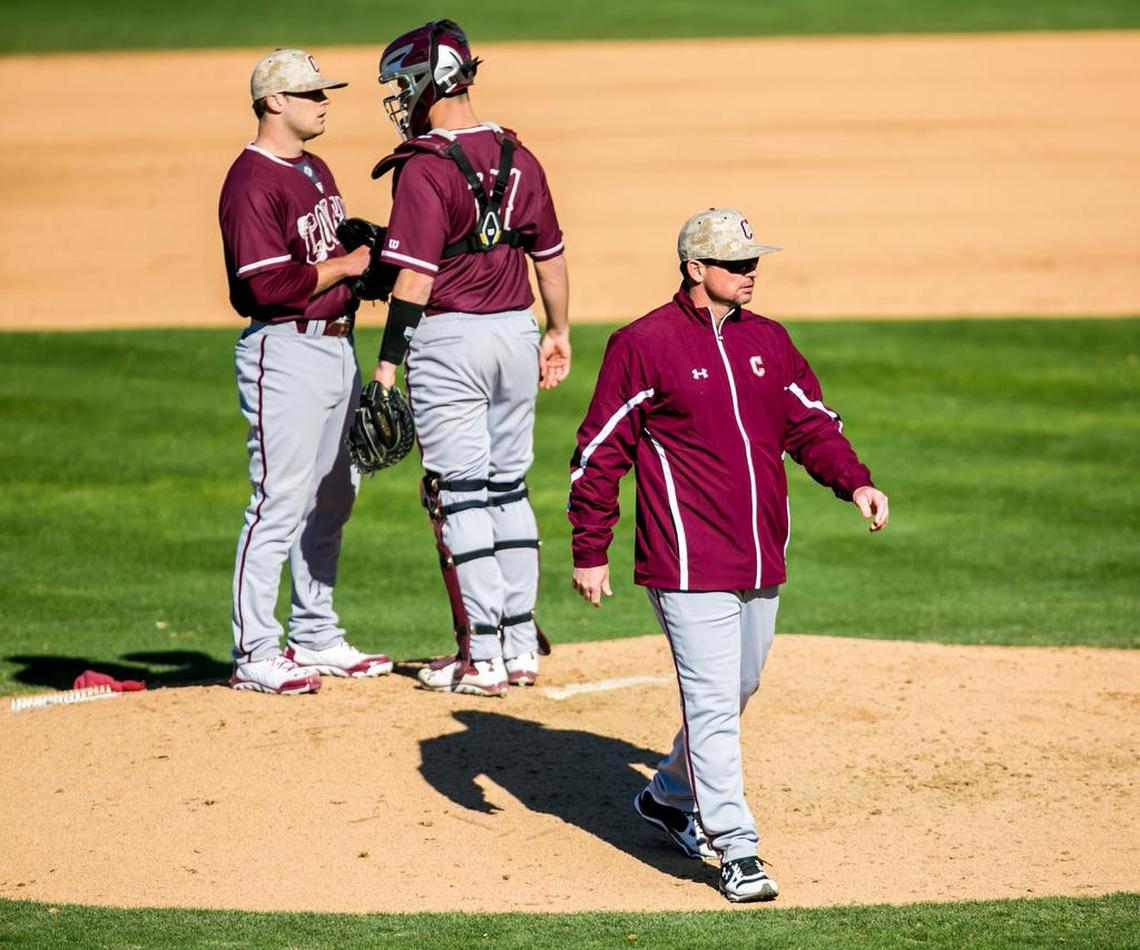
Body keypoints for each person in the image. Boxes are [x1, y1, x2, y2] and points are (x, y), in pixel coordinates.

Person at [567, 208, 889, 902]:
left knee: (737, 688)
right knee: (712, 702)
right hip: (684, 562)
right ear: (694, 269)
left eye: (753, 261)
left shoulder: (768, 341)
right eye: (737, 263)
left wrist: (854, 480)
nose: (751, 273)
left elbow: (810, 424)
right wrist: (590, 549)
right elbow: (598, 455)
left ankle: (668, 796)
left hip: (759, 555)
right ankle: (736, 849)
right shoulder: (643, 345)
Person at [368, 20, 571, 696]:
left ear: (431, 80)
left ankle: (480, 657)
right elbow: (551, 255)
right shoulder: (519, 155)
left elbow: (416, 281)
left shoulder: (424, 167)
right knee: (509, 488)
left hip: (451, 342)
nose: (401, 96)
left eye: (404, 82)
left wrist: (386, 364)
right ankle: (519, 648)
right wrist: (559, 330)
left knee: (458, 497)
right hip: (517, 332)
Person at [219, 49, 394, 695]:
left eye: (324, 92)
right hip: (284, 351)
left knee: (336, 493)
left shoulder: (315, 166)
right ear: (274, 102)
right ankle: (256, 651)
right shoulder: (250, 182)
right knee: (279, 499)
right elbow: (264, 286)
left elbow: (330, 251)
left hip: (336, 347)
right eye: (311, 93)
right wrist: (346, 268)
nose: (324, 101)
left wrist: (365, 270)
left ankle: (315, 634)